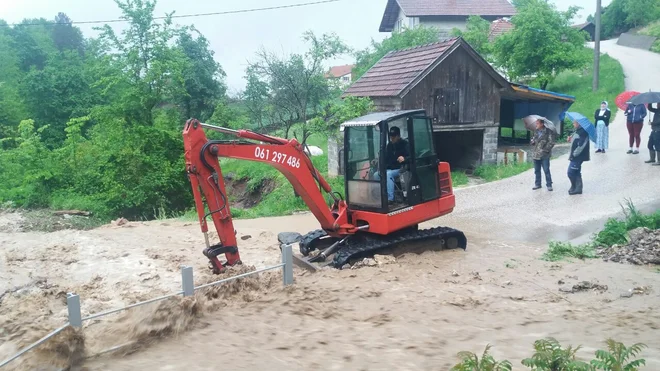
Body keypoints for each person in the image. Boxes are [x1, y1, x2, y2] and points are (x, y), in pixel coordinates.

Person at [372, 126, 410, 204]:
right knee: (376, 174)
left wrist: (404, 158)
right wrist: (377, 160)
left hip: (401, 168)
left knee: (388, 174)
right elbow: (385, 157)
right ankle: (380, 196)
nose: (392, 138)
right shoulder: (389, 146)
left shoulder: (405, 144)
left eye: (394, 136)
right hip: (391, 168)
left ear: (398, 136)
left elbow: (411, 156)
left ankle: (390, 198)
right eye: (391, 136)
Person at [530, 118, 556, 191]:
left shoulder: (548, 132)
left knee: (546, 170)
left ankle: (549, 184)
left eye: (537, 123)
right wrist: (532, 141)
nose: (536, 125)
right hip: (536, 154)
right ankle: (538, 184)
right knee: (537, 170)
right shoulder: (535, 131)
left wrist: (545, 150)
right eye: (536, 123)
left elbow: (552, 142)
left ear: (542, 124)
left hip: (544, 154)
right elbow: (533, 140)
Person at [568, 120, 590, 195]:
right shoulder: (577, 130)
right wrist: (570, 139)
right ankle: (577, 188)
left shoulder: (583, 132)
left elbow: (581, 145)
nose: (573, 124)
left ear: (578, 123)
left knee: (570, 172)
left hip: (578, 156)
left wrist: (574, 154)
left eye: (574, 122)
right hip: (575, 155)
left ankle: (575, 186)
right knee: (576, 172)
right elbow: (576, 141)